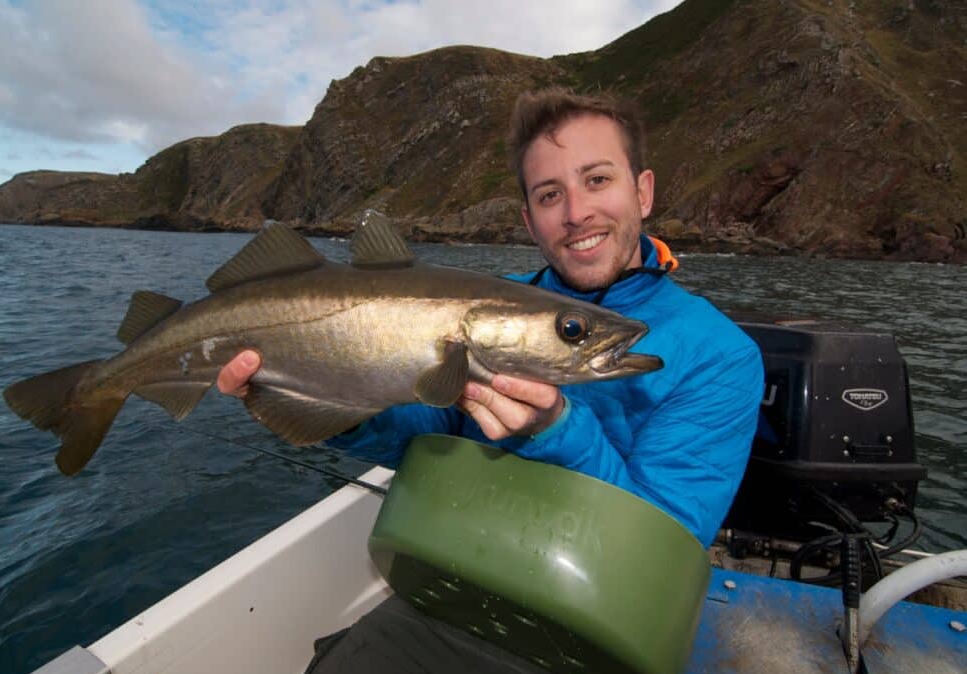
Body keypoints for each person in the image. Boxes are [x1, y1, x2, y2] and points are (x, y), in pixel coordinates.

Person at [218, 88, 764, 548]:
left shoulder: (721, 355)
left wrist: (555, 430)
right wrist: (332, 399)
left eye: (597, 180)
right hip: (448, 572)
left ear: (642, 191)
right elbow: (424, 436)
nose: (576, 213)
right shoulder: (493, 307)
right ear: (530, 220)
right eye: (551, 194)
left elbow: (656, 549)